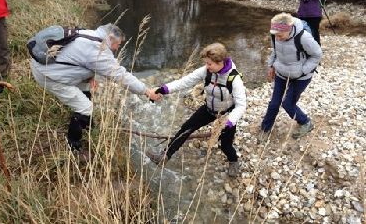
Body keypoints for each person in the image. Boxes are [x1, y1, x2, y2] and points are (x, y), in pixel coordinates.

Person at [30, 24, 161, 157]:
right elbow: (121, 76)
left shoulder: (91, 34)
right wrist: (146, 91)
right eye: (118, 44)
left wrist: (89, 76)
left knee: (86, 88)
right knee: (85, 107)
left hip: (46, 65)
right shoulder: (98, 49)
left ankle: (86, 124)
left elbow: (79, 57)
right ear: (110, 38)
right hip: (47, 75)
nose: (117, 48)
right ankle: (74, 147)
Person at [146, 43, 246, 177]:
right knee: (185, 128)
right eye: (206, 63)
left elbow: (241, 105)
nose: (207, 66)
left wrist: (229, 121)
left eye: (209, 64)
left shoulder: (234, 78)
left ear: (220, 62)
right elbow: (185, 81)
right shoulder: (207, 70)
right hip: (209, 109)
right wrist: (164, 89)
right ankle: (164, 157)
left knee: (225, 145)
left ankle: (233, 161)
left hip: (226, 114)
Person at [259, 13, 322, 142]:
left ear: (289, 29)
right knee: (274, 103)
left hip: (301, 76)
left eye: (280, 35)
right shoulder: (275, 33)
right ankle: (265, 128)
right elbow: (275, 51)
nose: (277, 38)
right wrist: (271, 66)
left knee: (288, 104)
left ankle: (305, 122)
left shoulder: (304, 37)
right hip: (281, 72)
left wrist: (302, 70)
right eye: (275, 35)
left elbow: (317, 55)